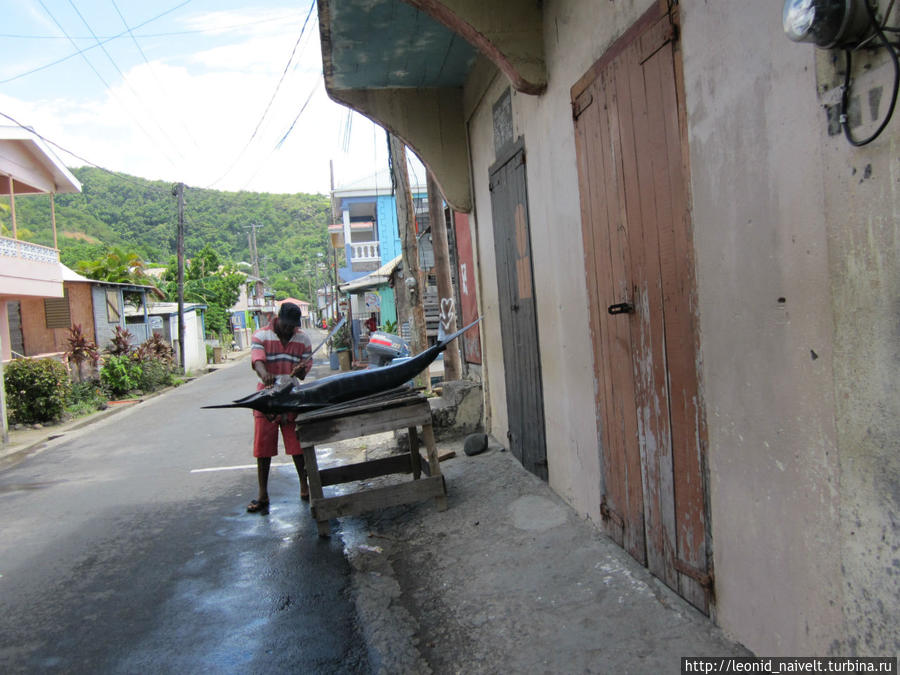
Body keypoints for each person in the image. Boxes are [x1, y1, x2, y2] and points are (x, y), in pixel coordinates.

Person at [246, 302, 313, 514]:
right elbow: (257, 360)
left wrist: (301, 371)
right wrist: (264, 373)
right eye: (286, 325)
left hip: (291, 396)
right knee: (263, 448)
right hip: (267, 396)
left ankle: (305, 487)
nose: (289, 329)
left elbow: (304, 370)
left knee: (297, 445)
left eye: (293, 326)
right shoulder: (261, 336)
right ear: (278, 318)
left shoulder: (302, 339)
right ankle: (262, 494)